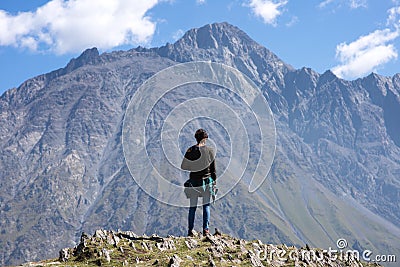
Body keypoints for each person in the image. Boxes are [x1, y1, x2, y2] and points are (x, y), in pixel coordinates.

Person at [181, 129, 217, 236]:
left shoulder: (190, 151)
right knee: (206, 206)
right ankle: (206, 230)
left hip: (193, 182)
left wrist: (193, 166)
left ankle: (190, 230)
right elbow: (213, 169)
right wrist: (214, 182)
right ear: (205, 139)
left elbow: (183, 166)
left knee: (193, 207)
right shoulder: (210, 151)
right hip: (206, 182)